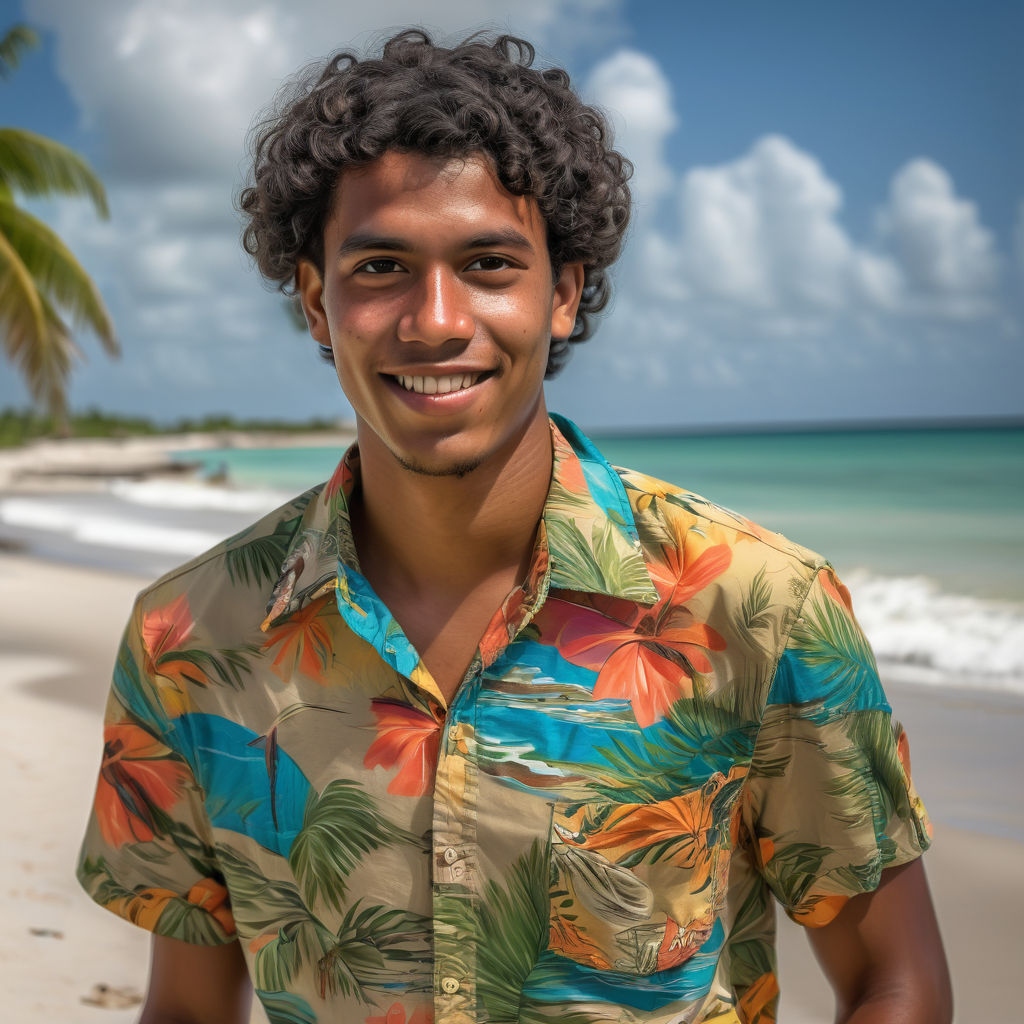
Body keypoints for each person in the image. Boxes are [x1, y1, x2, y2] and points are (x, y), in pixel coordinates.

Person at [77, 29, 952, 1024]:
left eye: (489, 263)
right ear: (316, 302)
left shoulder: (755, 605)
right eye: (381, 267)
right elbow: (187, 1010)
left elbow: (895, 980)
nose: (436, 318)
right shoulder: (189, 639)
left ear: (564, 293)